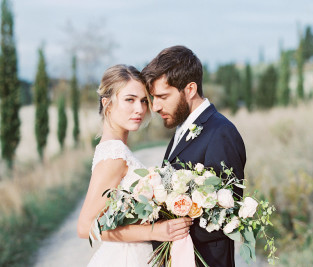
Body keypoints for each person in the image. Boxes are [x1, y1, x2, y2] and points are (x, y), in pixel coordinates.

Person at [77, 64, 193, 267]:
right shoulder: (115, 155)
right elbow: (85, 226)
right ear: (108, 104)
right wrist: (155, 231)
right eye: (129, 100)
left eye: (143, 101)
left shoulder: (116, 149)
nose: (139, 109)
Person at [141, 46, 246, 267]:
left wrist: (166, 227)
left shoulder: (221, 132)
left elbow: (228, 216)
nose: (156, 106)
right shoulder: (182, 128)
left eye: (162, 96)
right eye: (153, 97)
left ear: (190, 89)